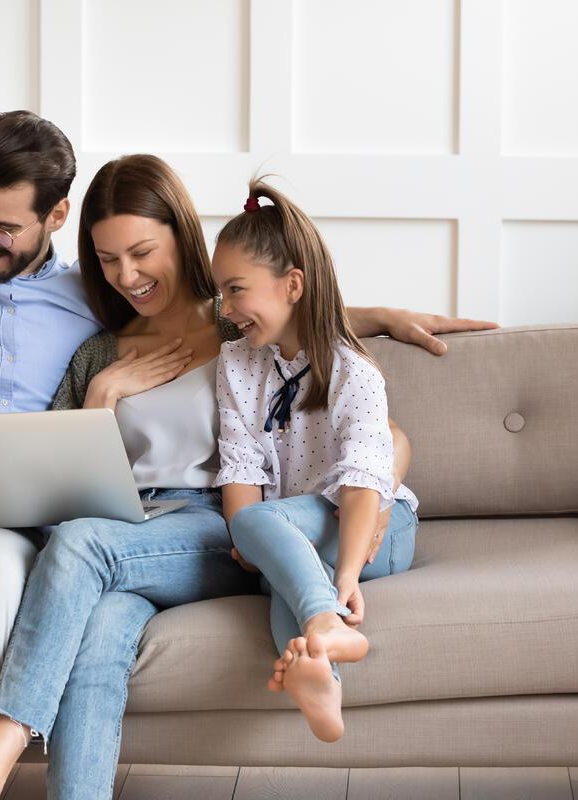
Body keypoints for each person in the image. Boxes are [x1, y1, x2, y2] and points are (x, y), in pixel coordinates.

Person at [0, 114, 494, 800]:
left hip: (120, 524)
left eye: (5, 228)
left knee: (44, 567)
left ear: (55, 216)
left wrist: (375, 315)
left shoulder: (181, 321)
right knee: (70, 630)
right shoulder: (53, 312)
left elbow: (273, 318)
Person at [0, 157, 411, 800]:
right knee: (99, 626)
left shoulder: (239, 331)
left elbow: (343, 380)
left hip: (214, 524)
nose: (127, 276)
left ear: (181, 238)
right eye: (107, 260)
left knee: (82, 543)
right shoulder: (96, 354)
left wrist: (385, 319)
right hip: (124, 528)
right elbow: (49, 484)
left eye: (141, 252)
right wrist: (102, 397)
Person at [212, 178, 418, 743]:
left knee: (258, 525)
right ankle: (319, 669)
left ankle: (326, 620)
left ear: (293, 286)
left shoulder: (355, 372)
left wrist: (347, 577)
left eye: (235, 291)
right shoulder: (237, 366)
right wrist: (256, 547)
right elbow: (240, 464)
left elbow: (362, 481)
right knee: (273, 566)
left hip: (375, 523)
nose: (225, 311)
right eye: (220, 295)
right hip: (294, 529)